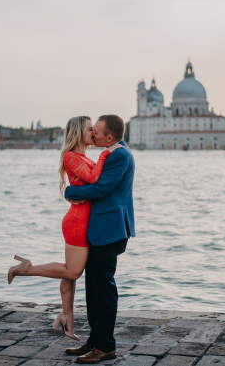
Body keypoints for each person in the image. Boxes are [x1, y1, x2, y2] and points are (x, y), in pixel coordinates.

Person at [6, 115, 120, 340]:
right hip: (77, 222)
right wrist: (107, 153)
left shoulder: (84, 156)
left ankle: (66, 318)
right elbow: (95, 180)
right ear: (79, 133)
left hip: (86, 220)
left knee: (69, 273)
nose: (94, 133)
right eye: (90, 129)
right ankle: (25, 268)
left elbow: (93, 181)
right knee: (73, 271)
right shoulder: (71, 157)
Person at [63, 114, 135, 364]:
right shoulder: (113, 152)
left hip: (110, 230)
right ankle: (95, 340)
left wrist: (70, 191)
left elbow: (101, 188)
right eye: (92, 131)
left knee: (102, 290)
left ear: (110, 137)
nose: (93, 134)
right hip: (103, 229)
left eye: (97, 132)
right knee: (94, 288)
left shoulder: (119, 156)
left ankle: (105, 346)